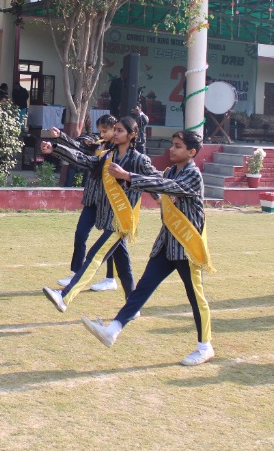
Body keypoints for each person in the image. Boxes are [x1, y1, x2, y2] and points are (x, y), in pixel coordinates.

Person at [81, 130, 215, 366]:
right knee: (142, 288)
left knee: (196, 297)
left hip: (186, 246)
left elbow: (165, 186)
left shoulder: (193, 175)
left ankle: (205, 347)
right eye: (172, 144)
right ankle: (113, 329)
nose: (172, 149)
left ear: (192, 152)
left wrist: (129, 176)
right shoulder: (171, 171)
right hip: (166, 244)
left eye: (178, 146)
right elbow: (160, 185)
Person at [41, 116, 157, 312]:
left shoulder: (139, 159)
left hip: (121, 220)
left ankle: (65, 296)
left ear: (132, 135)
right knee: (122, 263)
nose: (116, 133)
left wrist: (153, 193)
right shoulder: (108, 155)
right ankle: (133, 306)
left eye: (120, 131)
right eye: (115, 130)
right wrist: (56, 148)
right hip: (107, 217)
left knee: (94, 256)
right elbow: (84, 160)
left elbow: (155, 180)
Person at [48, 115, 119, 292]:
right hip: (91, 200)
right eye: (100, 131)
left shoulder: (119, 151)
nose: (101, 134)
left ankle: (110, 278)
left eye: (105, 131)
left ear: (115, 129)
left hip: (109, 202)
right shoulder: (98, 144)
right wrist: (61, 137)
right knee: (80, 234)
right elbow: (79, 148)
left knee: (112, 241)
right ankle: (76, 273)